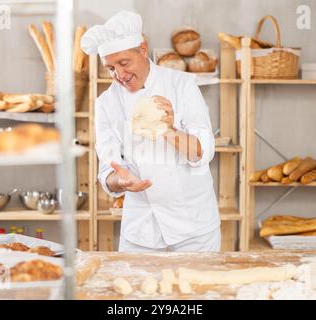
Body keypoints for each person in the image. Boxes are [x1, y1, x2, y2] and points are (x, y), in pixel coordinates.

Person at [81, 11, 220, 252]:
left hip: (194, 229)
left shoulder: (182, 85)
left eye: (124, 63)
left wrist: (169, 130)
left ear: (143, 49)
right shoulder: (106, 103)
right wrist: (120, 181)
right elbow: (107, 171)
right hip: (141, 232)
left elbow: (203, 152)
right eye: (111, 68)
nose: (119, 75)